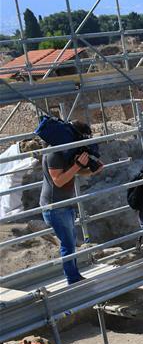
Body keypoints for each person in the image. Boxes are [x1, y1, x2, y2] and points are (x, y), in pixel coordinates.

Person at [39, 120, 104, 285]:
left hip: (65, 205)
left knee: (70, 241)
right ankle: (73, 279)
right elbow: (58, 181)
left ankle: (74, 276)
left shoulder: (65, 151)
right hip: (55, 207)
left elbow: (75, 172)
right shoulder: (54, 153)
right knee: (68, 244)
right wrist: (77, 165)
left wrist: (91, 170)